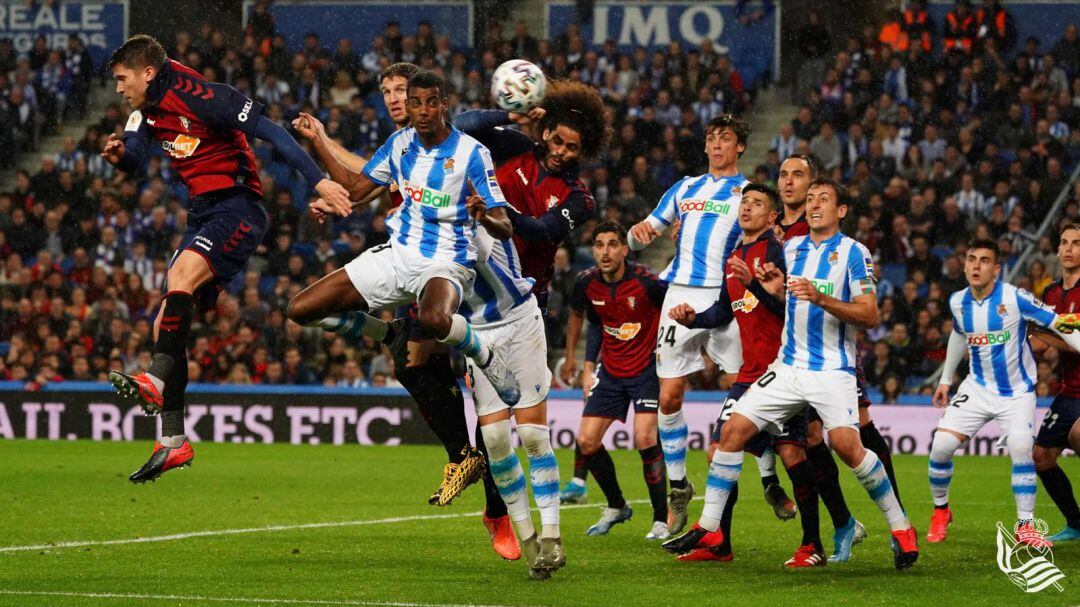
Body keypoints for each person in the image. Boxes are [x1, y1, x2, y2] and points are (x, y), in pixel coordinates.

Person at [101, 35, 353, 483]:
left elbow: (273, 131)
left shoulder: (203, 96)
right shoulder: (144, 111)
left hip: (238, 206)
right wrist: (120, 156)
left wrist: (318, 183)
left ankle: (155, 382)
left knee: (179, 277)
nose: (118, 89)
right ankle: (173, 441)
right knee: (165, 325)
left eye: (122, 79)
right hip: (202, 214)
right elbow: (136, 156)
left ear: (147, 73)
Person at [663, 179, 920, 571]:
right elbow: (776, 302)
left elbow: (869, 315)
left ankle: (901, 528)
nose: (815, 205)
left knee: (848, 448)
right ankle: (713, 529)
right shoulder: (792, 248)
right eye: (811, 199)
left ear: (842, 210)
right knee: (731, 434)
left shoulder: (854, 253)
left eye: (824, 199)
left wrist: (821, 298)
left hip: (832, 369)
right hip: (787, 367)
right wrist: (763, 289)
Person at [285, 71, 521, 452]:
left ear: (444, 104)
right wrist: (317, 142)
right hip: (398, 255)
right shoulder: (399, 144)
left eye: (431, 102)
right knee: (301, 309)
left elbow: (505, 225)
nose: (423, 111)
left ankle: (484, 354)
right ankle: (388, 333)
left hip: (447, 261)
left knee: (432, 319)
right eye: (416, 103)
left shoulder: (472, 154)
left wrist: (484, 215)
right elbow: (356, 190)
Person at [667, 184, 827, 566]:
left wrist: (756, 283)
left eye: (757, 204)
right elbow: (724, 310)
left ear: (772, 217)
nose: (747, 208)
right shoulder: (734, 256)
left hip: (783, 371)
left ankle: (813, 545)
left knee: (792, 456)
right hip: (748, 374)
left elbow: (787, 309)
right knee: (720, 447)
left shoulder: (777, 252)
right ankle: (720, 543)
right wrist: (694, 320)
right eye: (745, 202)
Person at [627, 114, 750, 535]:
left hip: (725, 293)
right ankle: (678, 486)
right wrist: (637, 233)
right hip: (681, 291)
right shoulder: (685, 188)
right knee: (670, 395)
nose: (717, 145)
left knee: (746, 387)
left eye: (726, 139)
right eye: (712, 138)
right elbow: (643, 231)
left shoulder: (746, 194)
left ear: (740, 148)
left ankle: (768, 477)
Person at [929, 238, 1080, 545]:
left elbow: (1059, 325)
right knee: (941, 446)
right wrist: (945, 380)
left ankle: (1026, 526)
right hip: (978, 387)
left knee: (1024, 447)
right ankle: (941, 510)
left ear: (996, 269)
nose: (975, 265)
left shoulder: (1016, 298)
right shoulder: (958, 301)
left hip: (1016, 393)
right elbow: (959, 335)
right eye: (971, 259)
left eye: (984, 260)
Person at [461, 225, 564, 579]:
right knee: (496, 442)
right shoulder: (417, 229)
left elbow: (484, 249)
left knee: (534, 436)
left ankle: (552, 534)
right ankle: (530, 540)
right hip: (475, 335)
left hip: (518, 321)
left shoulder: (484, 205)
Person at [563, 221, 669, 540]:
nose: (605, 251)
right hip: (610, 372)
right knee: (587, 442)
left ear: (625, 249)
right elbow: (588, 320)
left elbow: (674, 313)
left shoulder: (648, 282)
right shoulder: (586, 283)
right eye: (599, 245)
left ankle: (661, 519)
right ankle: (617, 505)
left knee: (645, 438)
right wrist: (581, 363)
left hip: (646, 371)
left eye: (612, 244)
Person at [1033, 224, 1080, 543]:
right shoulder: (1050, 293)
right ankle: (1076, 523)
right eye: (1064, 242)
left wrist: (1045, 335)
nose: (1068, 248)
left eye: (1076, 243)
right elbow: (1040, 341)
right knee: (1041, 456)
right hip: (1068, 391)